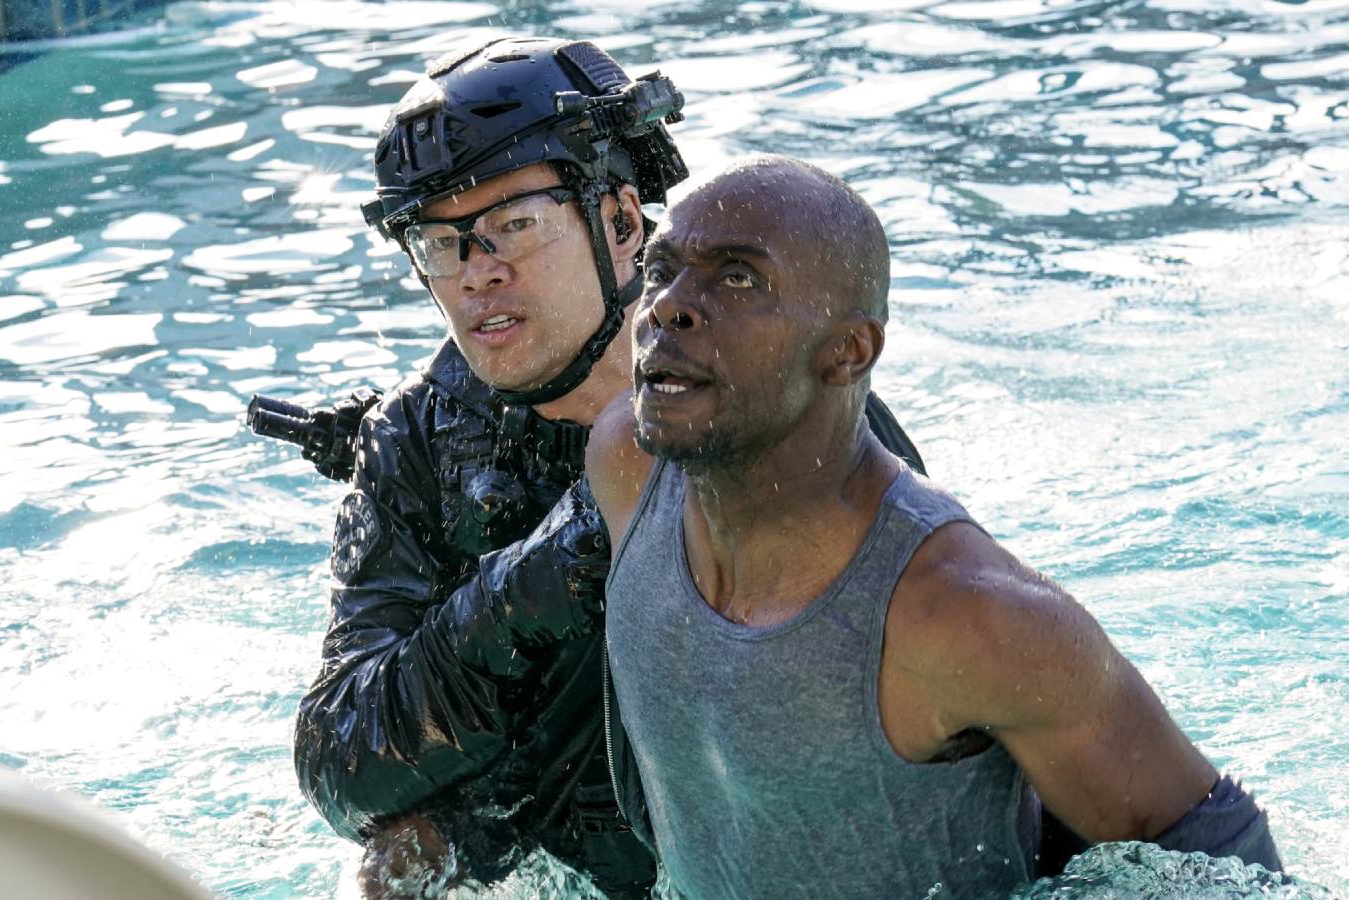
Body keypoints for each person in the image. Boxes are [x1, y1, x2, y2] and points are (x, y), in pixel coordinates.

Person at [282, 37, 930, 896]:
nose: (477, 274)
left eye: (514, 225)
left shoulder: (770, 396)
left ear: (622, 222)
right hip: (551, 860)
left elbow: (930, 672)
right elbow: (339, 761)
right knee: (398, 866)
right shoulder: (416, 442)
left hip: (766, 845)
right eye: (439, 243)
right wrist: (553, 567)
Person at [584, 155, 1282, 899]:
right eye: (662, 271)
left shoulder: (962, 618)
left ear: (848, 351)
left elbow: (1223, 859)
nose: (669, 307)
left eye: (738, 279)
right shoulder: (625, 465)